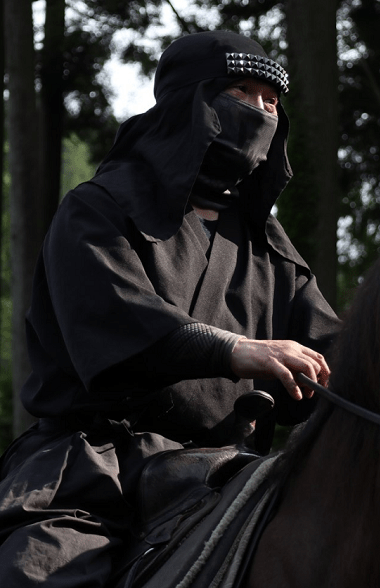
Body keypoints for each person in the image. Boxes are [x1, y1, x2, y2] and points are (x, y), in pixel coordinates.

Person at [0, 30, 339, 586]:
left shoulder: (270, 247)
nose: (259, 112)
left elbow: (338, 354)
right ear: (191, 101)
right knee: (39, 573)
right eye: (240, 93)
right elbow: (117, 321)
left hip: (226, 477)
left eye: (271, 102)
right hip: (90, 472)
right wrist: (237, 349)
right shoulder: (98, 209)